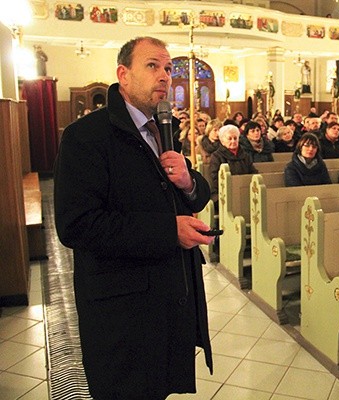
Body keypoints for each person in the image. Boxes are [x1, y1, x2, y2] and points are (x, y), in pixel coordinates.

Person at [53, 37, 214, 399]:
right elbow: (76, 224)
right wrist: (168, 231)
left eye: (168, 68)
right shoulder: (86, 137)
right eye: (152, 65)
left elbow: (194, 193)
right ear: (123, 75)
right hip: (121, 310)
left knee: (158, 388)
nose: (164, 76)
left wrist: (189, 182)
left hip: (166, 300)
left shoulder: (164, 129)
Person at [209, 124, 258, 200]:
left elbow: (253, 173)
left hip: (244, 190)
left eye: (235, 138)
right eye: (230, 138)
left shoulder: (245, 155)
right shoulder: (216, 156)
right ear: (222, 141)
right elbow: (215, 179)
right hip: (222, 192)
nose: (233, 141)